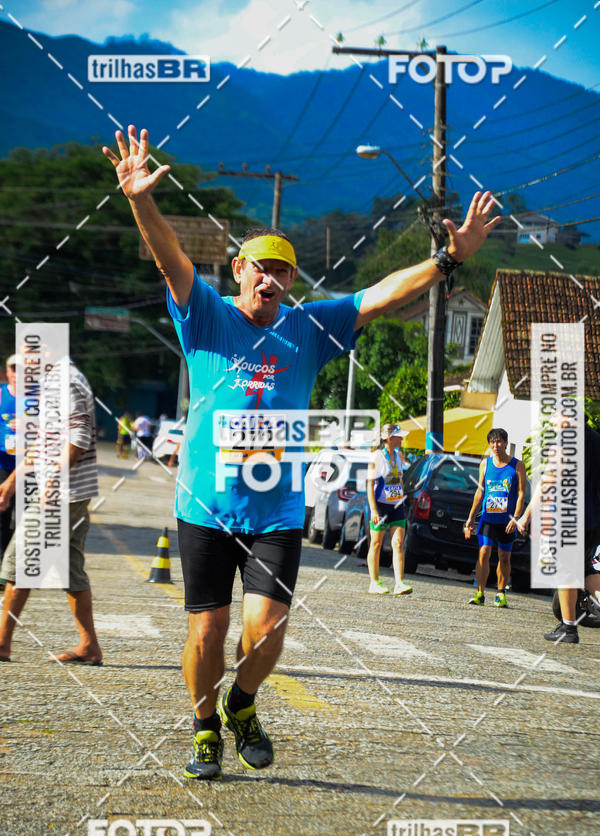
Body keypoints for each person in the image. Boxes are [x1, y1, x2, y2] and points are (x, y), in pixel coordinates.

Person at [103, 124, 499, 780]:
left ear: (291, 280)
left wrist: (448, 262)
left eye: (283, 269)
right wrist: (142, 200)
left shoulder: (309, 326)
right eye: (260, 266)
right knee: (206, 632)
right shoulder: (203, 314)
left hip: (277, 511)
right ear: (239, 271)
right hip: (206, 504)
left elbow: (381, 296)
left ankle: (241, 703)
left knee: (269, 628)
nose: (272, 278)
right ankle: (204, 726)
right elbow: (171, 258)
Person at [0, 357, 103, 665]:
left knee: (20, 561)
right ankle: (90, 647)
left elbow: (79, 436)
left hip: (61, 494)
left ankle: (2, 643)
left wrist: (55, 482)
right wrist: (12, 481)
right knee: (71, 570)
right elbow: (44, 442)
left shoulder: (66, 381)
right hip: (67, 494)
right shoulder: (52, 384)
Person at [517, 422, 600, 644]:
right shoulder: (596, 440)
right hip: (594, 520)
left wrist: (526, 515)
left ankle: (569, 629)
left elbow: (548, 480)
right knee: (584, 571)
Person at [464, 428, 527, 608]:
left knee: (504, 558)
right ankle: (480, 593)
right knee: (483, 552)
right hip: (488, 518)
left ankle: (500, 593)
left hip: (507, 521)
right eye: (492, 442)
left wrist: (515, 518)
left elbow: (521, 494)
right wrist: (471, 516)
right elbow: (480, 491)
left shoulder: (517, 465)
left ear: (506, 443)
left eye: (499, 442)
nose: (496, 446)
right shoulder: (485, 464)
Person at [366, 423, 412, 596]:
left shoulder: (399, 456)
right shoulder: (377, 457)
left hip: (396, 505)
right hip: (380, 505)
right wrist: (373, 509)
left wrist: (402, 497)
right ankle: (374, 582)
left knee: (398, 543)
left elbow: (399, 478)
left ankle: (399, 582)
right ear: (390, 438)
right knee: (376, 543)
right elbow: (370, 484)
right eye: (399, 436)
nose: (402, 439)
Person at [0, 355, 18, 564]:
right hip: (3, 462)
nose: (17, 374)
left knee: (27, 521)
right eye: (14, 369)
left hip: (30, 466)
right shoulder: (1, 394)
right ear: (7, 372)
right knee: (2, 516)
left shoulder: (37, 397)